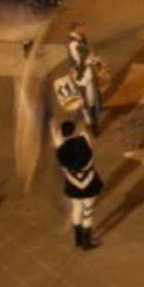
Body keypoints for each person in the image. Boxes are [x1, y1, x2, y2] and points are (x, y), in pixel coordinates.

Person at [53, 120, 103, 251]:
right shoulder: (83, 141)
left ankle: (78, 240)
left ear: (63, 134)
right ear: (73, 131)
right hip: (89, 181)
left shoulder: (60, 151)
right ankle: (87, 242)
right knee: (88, 211)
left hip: (73, 183)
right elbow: (84, 135)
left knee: (77, 209)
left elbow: (59, 143)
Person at [69, 54, 101, 133]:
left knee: (90, 109)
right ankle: (91, 124)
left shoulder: (88, 69)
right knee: (86, 109)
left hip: (89, 94)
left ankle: (94, 126)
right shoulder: (78, 68)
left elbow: (85, 81)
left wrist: (75, 80)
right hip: (84, 94)